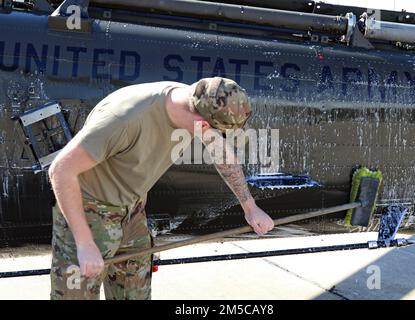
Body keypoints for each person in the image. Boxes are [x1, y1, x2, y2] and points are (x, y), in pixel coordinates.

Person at [48, 77, 275, 300]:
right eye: (219, 131)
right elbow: (60, 170)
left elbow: (221, 153)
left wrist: (249, 206)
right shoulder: (125, 118)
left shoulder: (195, 102)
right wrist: (85, 242)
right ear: (203, 124)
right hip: (86, 212)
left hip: (133, 211)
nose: (217, 138)